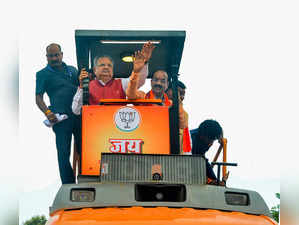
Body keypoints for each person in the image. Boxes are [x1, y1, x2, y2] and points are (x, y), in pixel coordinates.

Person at [35, 43, 81, 184]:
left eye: (56, 55)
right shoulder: (42, 74)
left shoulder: (73, 70)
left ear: (61, 54)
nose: (54, 58)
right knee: (63, 152)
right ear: (47, 57)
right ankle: (68, 184)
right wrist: (47, 112)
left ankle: (86, 178)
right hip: (60, 118)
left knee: (84, 148)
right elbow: (38, 97)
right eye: (51, 56)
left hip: (79, 115)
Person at [72, 42, 155, 114]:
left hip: (117, 128)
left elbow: (139, 81)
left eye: (109, 65)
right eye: (102, 65)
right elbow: (76, 110)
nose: (106, 67)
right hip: (96, 127)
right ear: (94, 70)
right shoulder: (88, 86)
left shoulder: (121, 83)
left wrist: (144, 63)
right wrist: (81, 88)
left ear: (112, 69)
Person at [190, 119, 224, 184]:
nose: (211, 143)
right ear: (202, 135)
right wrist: (208, 180)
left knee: (216, 181)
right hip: (190, 160)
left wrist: (221, 137)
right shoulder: (190, 141)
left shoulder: (208, 136)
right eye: (210, 140)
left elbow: (221, 130)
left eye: (214, 140)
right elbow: (191, 166)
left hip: (201, 158)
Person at [166, 80, 191, 155]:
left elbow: (186, 144)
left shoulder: (184, 115)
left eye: (183, 94)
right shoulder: (158, 106)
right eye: (178, 92)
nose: (181, 97)